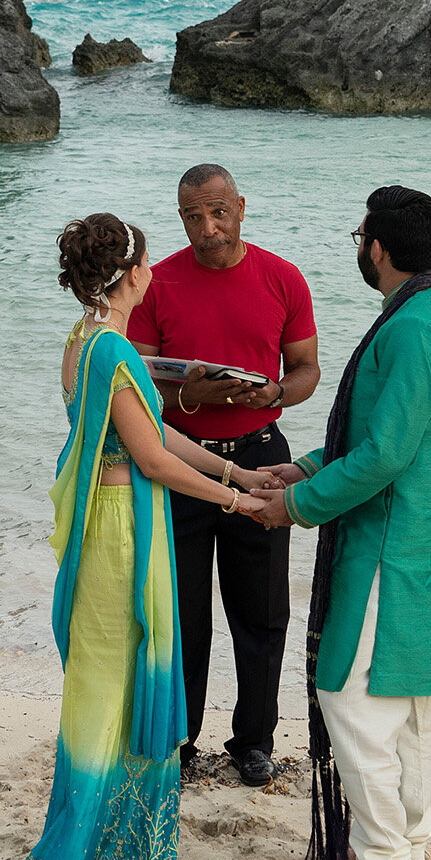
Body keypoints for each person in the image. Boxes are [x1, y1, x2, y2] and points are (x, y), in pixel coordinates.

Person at [254, 185, 431, 860]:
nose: (358, 247)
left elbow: (386, 454)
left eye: (357, 235)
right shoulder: (429, 312)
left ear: (379, 249)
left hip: (390, 547)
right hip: (416, 539)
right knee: (407, 705)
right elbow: (375, 436)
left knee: (349, 700)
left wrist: (296, 507)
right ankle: (411, 840)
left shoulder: (415, 328)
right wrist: (303, 466)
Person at [22, 213, 279, 860]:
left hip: (104, 522)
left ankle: (92, 832)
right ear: (134, 272)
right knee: (120, 680)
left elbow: (158, 431)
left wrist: (240, 474)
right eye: (146, 262)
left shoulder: (83, 340)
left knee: (106, 678)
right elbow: (154, 457)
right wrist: (235, 500)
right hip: (122, 533)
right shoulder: (116, 350)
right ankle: (112, 846)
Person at [128, 164, 322, 788]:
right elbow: (140, 384)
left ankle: (254, 740)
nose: (207, 229)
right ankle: (181, 742)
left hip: (261, 455)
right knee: (181, 611)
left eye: (217, 213)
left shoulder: (282, 277)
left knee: (262, 612)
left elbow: (307, 370)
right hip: (180, 461)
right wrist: (188, 391)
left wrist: (273, 394)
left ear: (241, 206)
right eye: (191, 218)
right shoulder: (157, 285)